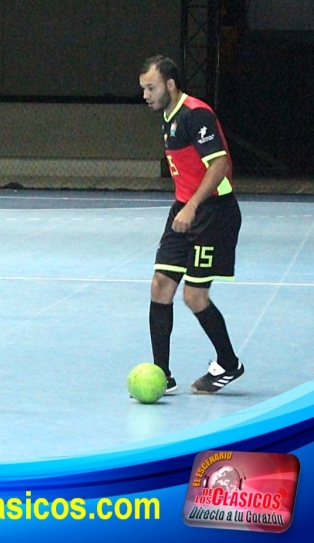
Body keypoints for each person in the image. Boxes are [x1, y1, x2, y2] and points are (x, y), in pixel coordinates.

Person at [138, 55, 244, 395]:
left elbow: (219, 165)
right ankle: (161, 374)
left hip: (212, 213)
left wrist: (192, 207)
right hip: (183, 209)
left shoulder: (195, 114)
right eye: (143, 89)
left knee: (194, 296)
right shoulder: (169, 118)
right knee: (160, 286)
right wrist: (184, 208)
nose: (146, 95)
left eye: (151, 87)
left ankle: (229, 362)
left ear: (170, 85)